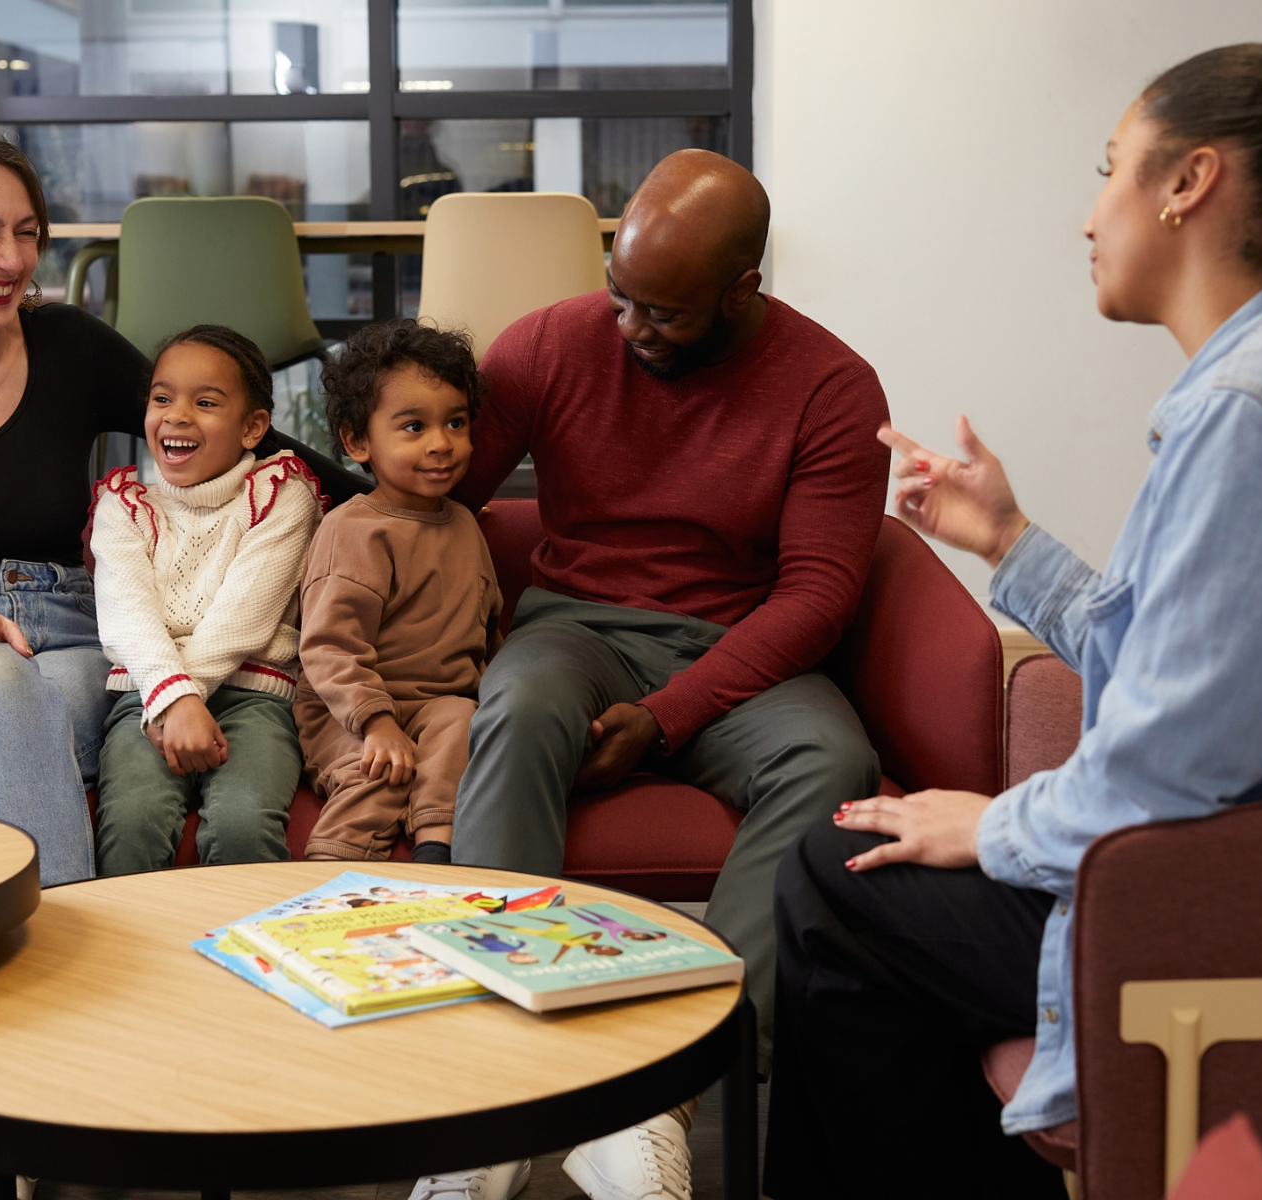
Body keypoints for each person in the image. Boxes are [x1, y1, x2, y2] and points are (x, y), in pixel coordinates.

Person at [764, 45, 1262, 1199]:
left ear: (1189, 184)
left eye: (1111, 169)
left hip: (1255, 909)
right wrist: (1008, 541)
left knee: (837, 875)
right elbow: (1187, 674)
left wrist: (997, 823)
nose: (1088, 216)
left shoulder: (1254, 413)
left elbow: (1170, 771)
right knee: (856, 870)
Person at [0, 133, 363, 1200]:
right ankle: (69, 1040)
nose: (11, 258)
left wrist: (394, 497)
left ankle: (0, 1098)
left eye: (27, 233)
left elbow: (226, 429)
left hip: (66, 641)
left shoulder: (69, 348)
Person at [447, 148, 891, 1200]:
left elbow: (819, 595)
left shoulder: (831, 385)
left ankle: (668, 1090)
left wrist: (671, 714)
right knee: (513, 706)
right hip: (576, 625)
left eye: (665, 313)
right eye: (620, 296)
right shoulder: (554, 343)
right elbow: (433, 479)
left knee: (836, 762)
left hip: (741, 642)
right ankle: (495, 1088)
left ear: (744, 289)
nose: (631, 329)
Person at [91, 325, 325, 874]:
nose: (176, 415)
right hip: (145, 698)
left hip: (254, 698)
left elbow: (243, 618)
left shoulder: (281, 496)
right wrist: (170, 702)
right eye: (162, 397)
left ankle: (247, 954)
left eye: (205, 402)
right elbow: (128, 619)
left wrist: (182, 701)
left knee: (244, 824)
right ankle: (134, 957)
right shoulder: (122, 507)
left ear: (252, 427)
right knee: (132, 821)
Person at [295, 320, 502, 864]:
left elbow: (489, 630)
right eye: (413, 427)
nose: (441, 444)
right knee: (381, 772)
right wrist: (378, 722)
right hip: (350, 710)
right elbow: (329, 649)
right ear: (358, 442)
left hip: (439, 706)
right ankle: (328, 885)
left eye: (456, 423)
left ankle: (438, 859)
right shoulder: (352, 530)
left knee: (461, 726)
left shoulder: (464, 527)